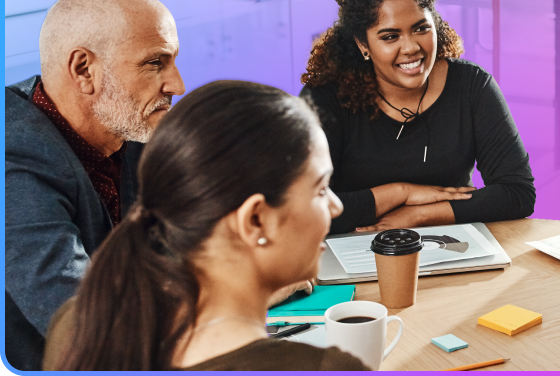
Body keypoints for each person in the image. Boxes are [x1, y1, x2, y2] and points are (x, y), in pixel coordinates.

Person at [42, 81, 369, 370]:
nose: (336, 206)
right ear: (255, 220)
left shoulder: (77, 326)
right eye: (321, 189)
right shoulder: (325, 368)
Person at [5, 0, 186, 371]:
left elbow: (185, 246)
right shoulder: (12, 156)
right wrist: (235, 293)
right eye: (155, 63)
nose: (177, 85)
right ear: (84, 70)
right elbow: (87, 321)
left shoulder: (132, 128)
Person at [301, 0, 535, 234]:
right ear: (363, 44)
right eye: (390, 37)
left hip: (450, 247)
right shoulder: (325, 99)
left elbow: (517, 193)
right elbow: (301, 209)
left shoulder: (471, 86)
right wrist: (401, 193)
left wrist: (419, 216)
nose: (411, 47)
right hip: (350, 250)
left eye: (421, 28)